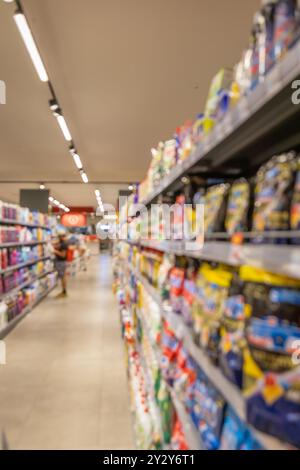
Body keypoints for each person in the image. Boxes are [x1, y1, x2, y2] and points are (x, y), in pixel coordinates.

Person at [53, 233, 69, 298]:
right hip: (62, 262)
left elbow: (63, 255)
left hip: (61, 262)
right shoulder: (62, 243)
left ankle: (64, 292)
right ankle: (64, 291)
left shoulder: (64, 244)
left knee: (62, 277)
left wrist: (54, 251)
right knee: (63, 277)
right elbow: (58, 246)